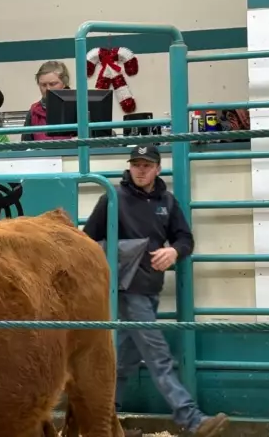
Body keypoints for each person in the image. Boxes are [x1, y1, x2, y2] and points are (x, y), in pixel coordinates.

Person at [82, 145, 229, 437]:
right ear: (129, 166)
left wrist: (174, 251)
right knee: (157, 354)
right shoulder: (112, 198)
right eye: (136, 164)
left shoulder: (167, 202)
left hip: (149, 289)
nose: (140, 170)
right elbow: (87, 242)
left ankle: (101, 423)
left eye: (146, 165)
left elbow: (185, 238)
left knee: (122, 362)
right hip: (128, 290)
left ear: (157, 169)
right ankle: (192, 419)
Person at [20, 60, 76, 142]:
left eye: (53, 84)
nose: (48, 89)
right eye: (43, 85)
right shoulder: (33, 112)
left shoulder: (78, 108)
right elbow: (25, 146)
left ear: (64, 83)